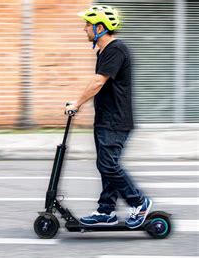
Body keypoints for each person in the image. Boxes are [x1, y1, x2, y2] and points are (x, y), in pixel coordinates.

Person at [65, 5, 152, 229]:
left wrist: (76, 103)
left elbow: (98, 82)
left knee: (108, 165)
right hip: (107, 119)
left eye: (88, 24)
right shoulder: (104, 51)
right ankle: (106, 211)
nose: (84, 28)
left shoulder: (115, 49)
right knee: (106, 165)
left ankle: (139, 202)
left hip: (116, 120)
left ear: (100, 28)